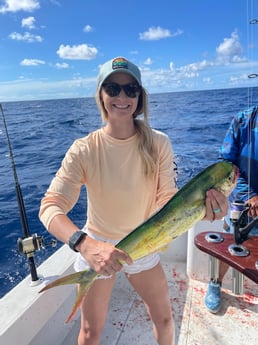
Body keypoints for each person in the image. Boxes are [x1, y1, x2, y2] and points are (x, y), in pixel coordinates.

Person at [39, 56, 228, 345]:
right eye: (113, 88)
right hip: (97, 244)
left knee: (165, 320)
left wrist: (206, 210)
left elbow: (167, 201)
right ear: (101, 95)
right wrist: (85, 244)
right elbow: (50, 206)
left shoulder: (159, 143)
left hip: (145, 241)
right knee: (90, 333)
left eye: (131, 89)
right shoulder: (83, 149)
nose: (122, 96)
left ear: (140, 97)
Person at [205, 105, 258, 314]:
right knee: (228, 246)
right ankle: (215, 283)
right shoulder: (243, 120)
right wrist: (250, 195)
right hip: (241, 206)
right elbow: (226, 164)